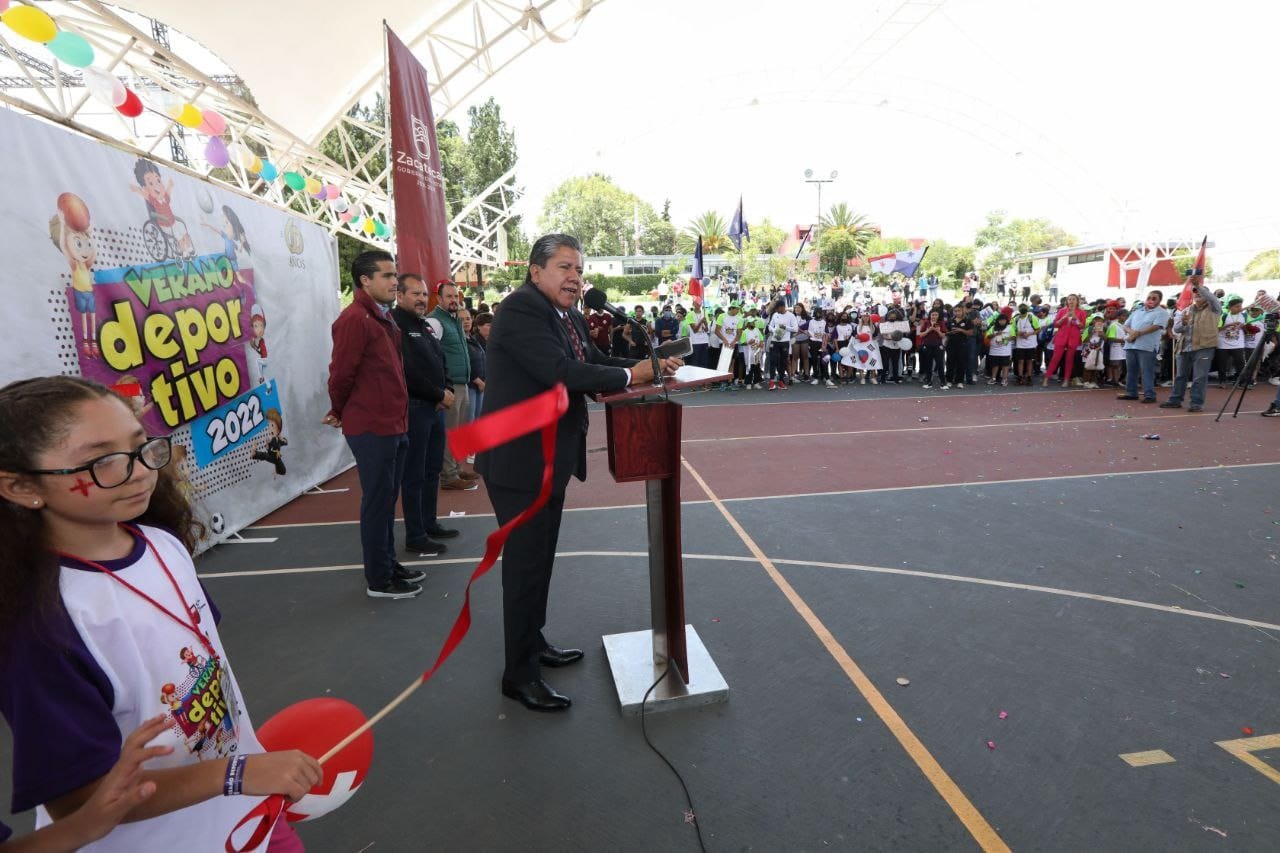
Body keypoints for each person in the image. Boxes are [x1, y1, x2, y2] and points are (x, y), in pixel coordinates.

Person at [0, 377, 321, 851]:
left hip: (246, 816)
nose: (138, 472)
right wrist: (234, 773)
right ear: (21, 486)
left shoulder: (162, 545)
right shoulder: (41, 624)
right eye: (102, 461)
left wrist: (242, 774)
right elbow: (76, 800)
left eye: (140, 446)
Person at [477, 234, 680, 712]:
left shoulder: (566, 314)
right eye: (565, 267)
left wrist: (649, 365)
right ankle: (519, 675)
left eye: (579, 269)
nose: (575, 277)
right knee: (525, 567)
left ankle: (533, 642)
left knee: (541, 560)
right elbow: (559, 370)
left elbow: (592, 361)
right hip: (520, 462)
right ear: (536, 272)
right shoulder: (522, 310)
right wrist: (631, 377)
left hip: (550, 458)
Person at [326, 251, 420, 599]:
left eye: (395, 274)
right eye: (387, 275)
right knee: (378, 503)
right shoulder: (354, 319)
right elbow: (340, 374)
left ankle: (388, 565)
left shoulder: (381, 317)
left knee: (386, 501)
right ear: (365, 280)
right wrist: (338, 409)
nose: (395, 281)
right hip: (373, 426)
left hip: (393, 423)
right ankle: (379, 580)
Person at [392, 274, 456, 558]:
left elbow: (440, 360)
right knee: (414, 474)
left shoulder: (423, 325)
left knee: (432, 470)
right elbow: (407, 371)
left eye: (423, 294)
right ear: (399, 296)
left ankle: (429, 523)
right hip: (417, 407)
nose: (421, 299)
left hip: (435, 408)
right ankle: (416, 535)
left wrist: (447, 389)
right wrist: (439, 394)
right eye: (415, 294)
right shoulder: (396, 326)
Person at [430, 282, 477, 491]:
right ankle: (448, 475)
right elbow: (432, 355)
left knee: (459, 431)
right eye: (448, 296)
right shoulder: (435, 321)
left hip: (462, 382)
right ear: (439, 299)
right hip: (450, 385)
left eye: (455, 296)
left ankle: (456, 469)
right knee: (450, 432)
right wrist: (443, 386)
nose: (453, 300)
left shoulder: (454, 319)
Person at [1160, 283, 1220, 412]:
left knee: (1199, 377)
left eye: (1201, 292)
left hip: (1204, 347)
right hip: (1184, 347)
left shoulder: (1214, 308)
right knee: (1180, 376)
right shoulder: (1187, 309)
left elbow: (1213, 299)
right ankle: (1175, 400)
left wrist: (1198, 285)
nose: (1197, 293)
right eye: (1195, 292)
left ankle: (1196, 403)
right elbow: (1177, 329)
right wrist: (1183, 323)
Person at [1118, 290, 1168, 402]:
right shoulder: (1138, 311)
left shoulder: (1162, 312)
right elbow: (1125, 325)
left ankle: (1149, 395)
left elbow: (1156, 326)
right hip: (1131, 345)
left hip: (1147, 346)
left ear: (1159, 300)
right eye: (1149, 297)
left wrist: (1138, 333)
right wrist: (1132, 333)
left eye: (1154, 298)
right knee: (1131, 371)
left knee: (1147, 371)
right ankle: (1131, 393)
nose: (1151, 299)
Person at [1044, 294, 1086, 387]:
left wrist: (1076, 318)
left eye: (1073, 299)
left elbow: (1082, 326)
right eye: (1069, 299)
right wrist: (1064, 317)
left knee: (1069, 359)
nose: (1071, 301)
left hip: (1074, 337)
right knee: (1055, 358)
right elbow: (1056, 324)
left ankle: (1066, 380)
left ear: (1077, 301)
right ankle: (1046, 378)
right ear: (1067, 301)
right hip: (1061, 337)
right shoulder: (1062, 311)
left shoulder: (1081, 312)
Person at [469, 311, 492, 420]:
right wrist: (480, 382)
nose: (492, 328)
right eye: (488, 325)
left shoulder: (490, 341)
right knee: (472, 418)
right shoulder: (474, 340)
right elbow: (470, 363)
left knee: (481, 417)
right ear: (479, 326)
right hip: (473, 384)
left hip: (484, 383)